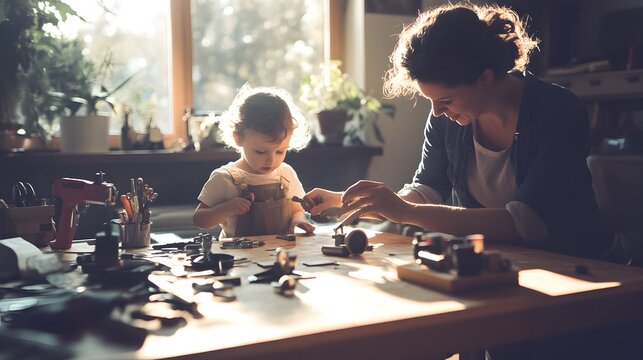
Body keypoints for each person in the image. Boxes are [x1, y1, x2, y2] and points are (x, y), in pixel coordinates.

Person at [304, 3, 611, 260]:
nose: (437, 112)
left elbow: (526, 222)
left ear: (485, 78)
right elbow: (427, 190)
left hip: (580, 269)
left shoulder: (559, 112)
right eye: (432, 102)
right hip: (504, 266)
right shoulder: (447, 117)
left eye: (445, 100)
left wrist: (404, 211)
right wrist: (346, 200)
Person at [193, 85, 315, 238]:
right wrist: (226, 209)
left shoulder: (286, 173)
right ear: (238, 137)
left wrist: (298, 221)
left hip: (280, 256)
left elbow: (297, 209)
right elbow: (199, 219)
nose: (271, 160)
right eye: (260, 151)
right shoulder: (224, 178)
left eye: (280, 151)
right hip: (240, 259)